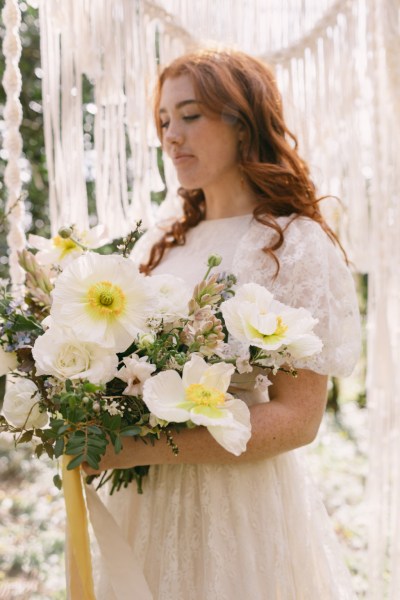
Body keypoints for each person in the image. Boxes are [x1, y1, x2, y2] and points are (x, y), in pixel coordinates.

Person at [86, 49, 361, 599]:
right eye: (164, 121)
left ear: (242, 122)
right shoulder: (163, 241)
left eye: (190, 116)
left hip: (239, 507)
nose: (171, 135)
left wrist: (139, 446)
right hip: (144, 500)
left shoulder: (291, 243)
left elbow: (299, 418)